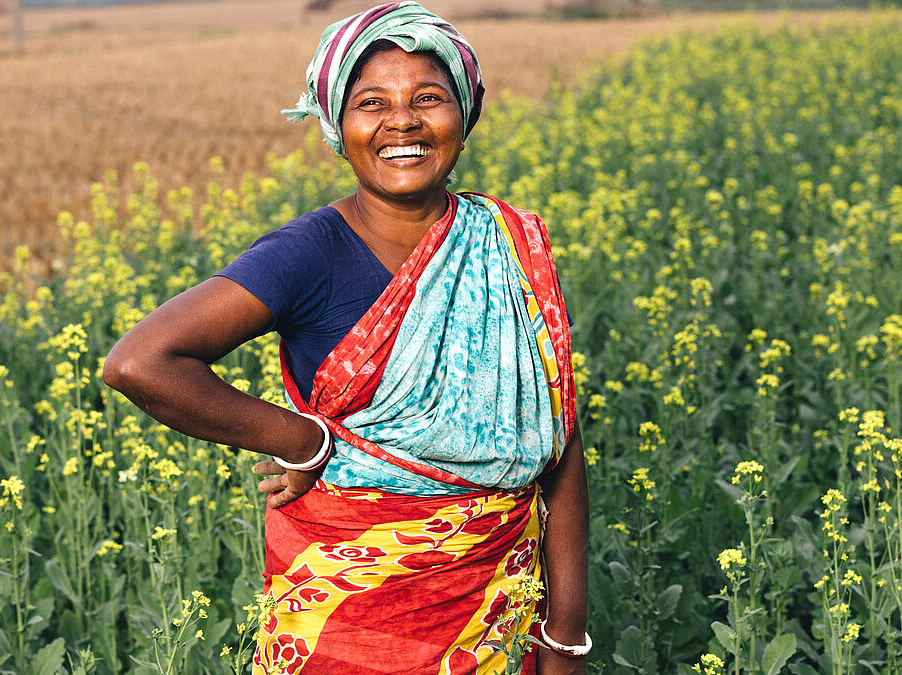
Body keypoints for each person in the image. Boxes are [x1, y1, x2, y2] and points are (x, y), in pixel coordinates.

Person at [102, 3, 588, 673]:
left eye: (428, 98)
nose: (403, 122)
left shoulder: (507, 245)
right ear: (337, 125)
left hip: (498, 610)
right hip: (345, 625)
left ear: (463, 116)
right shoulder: (308, 252)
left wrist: (564, 635)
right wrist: (303, 439)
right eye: (371, 103)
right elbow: (139, 362)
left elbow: (556, 438)